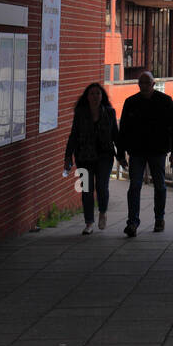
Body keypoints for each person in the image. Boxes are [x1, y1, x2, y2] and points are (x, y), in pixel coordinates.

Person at [117, 71, 173, 237]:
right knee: (134, 186)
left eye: (147, 83)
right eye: (141, 83)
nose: (144, 86)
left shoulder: (165, 101)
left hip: (158, 151)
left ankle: (159, 219)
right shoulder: (130, 102)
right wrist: (120, 153)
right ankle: (132, 222)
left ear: (153, 84)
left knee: (160, 186)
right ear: (138, 85)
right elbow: (123, 130)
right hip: (137, 151)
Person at [64, 82, 121, 235]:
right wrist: (68, 156)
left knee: (102, 187)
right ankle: (89, 222)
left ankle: (102, 212)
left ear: (102, 96)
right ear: (87, 97)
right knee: (87, 190)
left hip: (105, 156)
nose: (95, 96)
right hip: (84, 157)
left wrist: (121, 156)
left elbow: (115, 135)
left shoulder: (109, 112)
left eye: (98, 93)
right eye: (92, 94)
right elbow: (73, 135)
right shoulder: (81, 113)